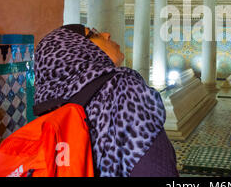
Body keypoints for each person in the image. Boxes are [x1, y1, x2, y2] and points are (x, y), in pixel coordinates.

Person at [34, 24, 179, 177]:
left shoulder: (47, 105)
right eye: (93, 33)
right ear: (77, 49)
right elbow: (156, 169)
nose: (107, 34)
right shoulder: (122, 88)